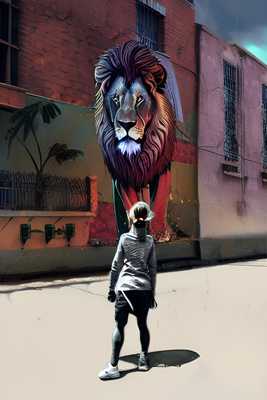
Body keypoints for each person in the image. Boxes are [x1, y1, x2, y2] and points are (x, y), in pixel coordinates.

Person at [98, 201, 157, 380]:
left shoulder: (124, 239)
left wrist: (111, 289)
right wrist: (152, 294)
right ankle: (144, 359)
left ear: (131, 220)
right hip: (144, 289)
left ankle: (113, 366)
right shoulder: (150, 241)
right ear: (147, 221)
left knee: (119, 326)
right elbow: (152, 269)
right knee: (142, 325)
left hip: (125, 289)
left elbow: (116, 265)